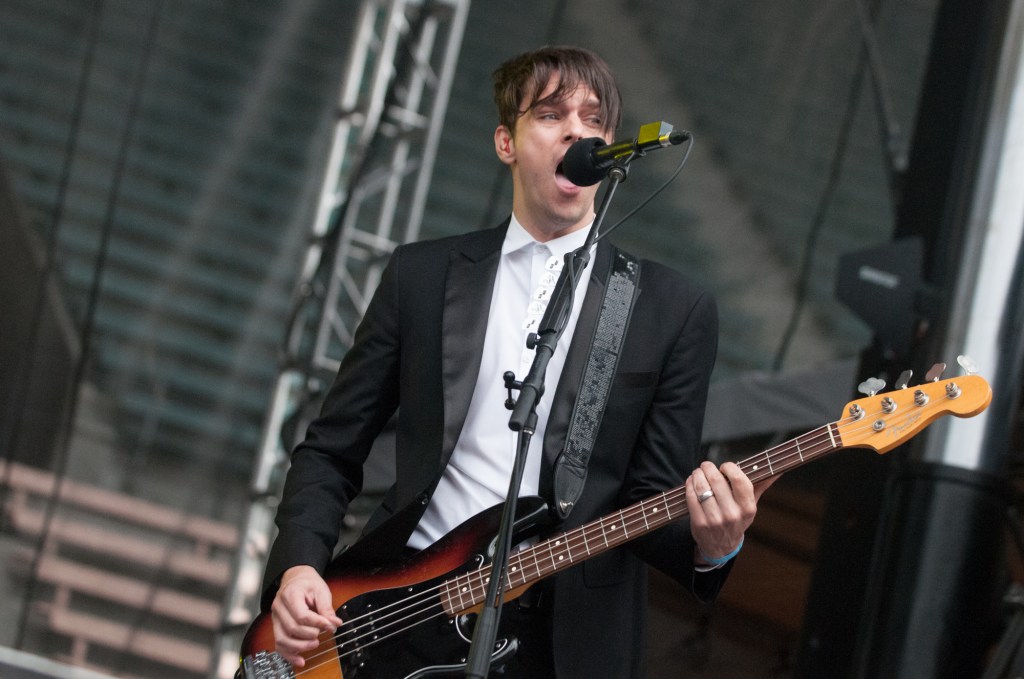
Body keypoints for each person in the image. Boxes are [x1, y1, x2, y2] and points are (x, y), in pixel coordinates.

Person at [260, 45, 769, 678]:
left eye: (593, 120)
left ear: (611, 153)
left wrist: (714, 546)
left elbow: (651, 500)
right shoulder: (421, 277)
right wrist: (300, 565)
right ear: (507, 142)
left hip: (562, 647)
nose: (577, 130)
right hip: (400, 611)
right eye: (552, 114)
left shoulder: (671, 309)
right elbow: (331, 449)